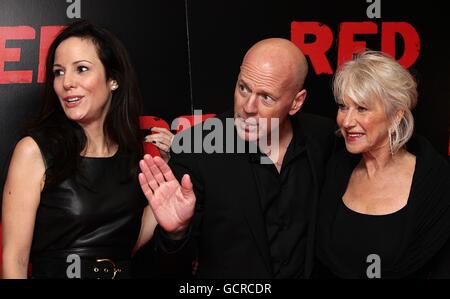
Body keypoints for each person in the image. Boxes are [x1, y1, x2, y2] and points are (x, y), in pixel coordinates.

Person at [138, 38, 336, 278]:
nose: (247, 107)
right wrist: (176, 233)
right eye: (243, 88)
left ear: (296, 102)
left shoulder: (324, 138)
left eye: (266, 98)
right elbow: (172, 269)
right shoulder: (196, 148)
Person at [1, 20, 169, 278]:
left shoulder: (133, 153)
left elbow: (125, 243)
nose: (67, 82)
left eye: (81, 69)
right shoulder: (34, 151)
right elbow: (15, 259)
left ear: (113, 79)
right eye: (58, 72)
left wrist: (168, 175)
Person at [315, 50, 450, 278]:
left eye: (362, 108)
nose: (346, 121)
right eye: (342, 106)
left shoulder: (436, 183)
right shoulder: (333, 170)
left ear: (396, 115)